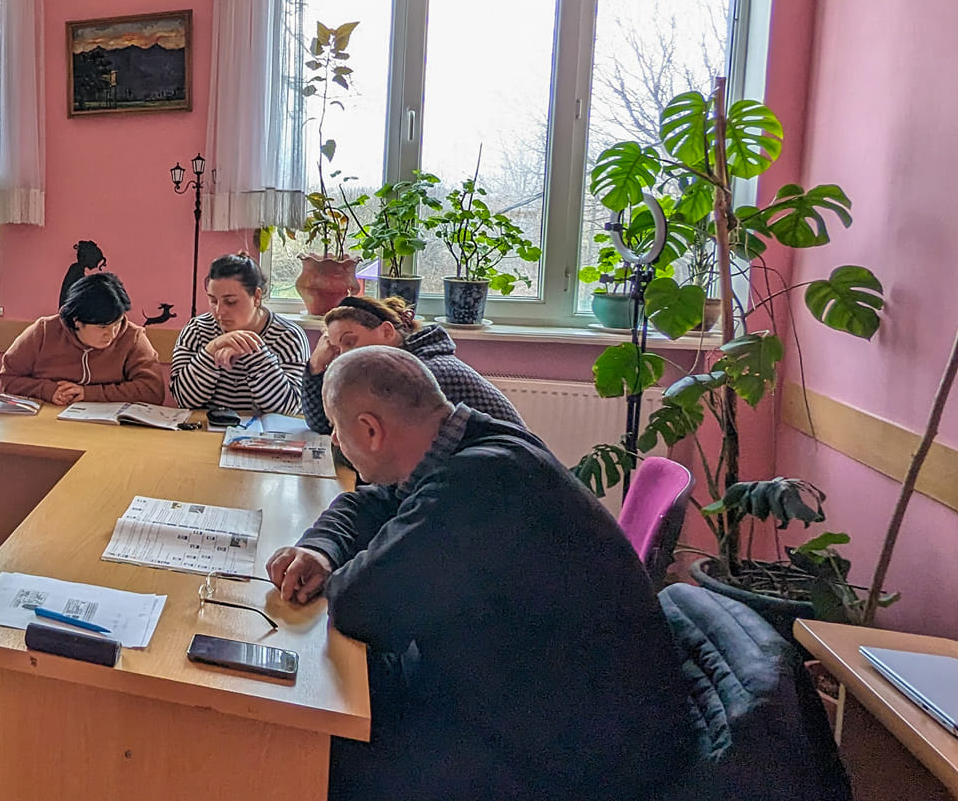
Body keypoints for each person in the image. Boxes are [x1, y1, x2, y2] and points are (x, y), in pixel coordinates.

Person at [265, 346, 692, 801]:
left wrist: (352, 568)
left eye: (337, 427)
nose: (334, 440)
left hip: (565, 754)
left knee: (313, 742)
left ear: (371, 430)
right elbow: (373, 502)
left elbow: (362, 607)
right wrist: (321, 550)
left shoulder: (479, 483)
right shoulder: (474, 443)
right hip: (549, 701)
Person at [298, 294, 522, 434]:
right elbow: (326, 425)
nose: (342, 356)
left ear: (387, 331)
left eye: (350, 342)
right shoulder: (393, 369)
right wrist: (316, 366)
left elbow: (379, 447)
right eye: (336, 350)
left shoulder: (424, 374)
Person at [168, 253, 308, 414]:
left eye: (231, 302)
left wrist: (254, 352)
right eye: (213, 300)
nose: (219, 311)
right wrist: (211, 349)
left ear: (256, 297)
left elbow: (289, 408)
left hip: (263, 429)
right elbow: (183, 399)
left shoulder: (289, 337)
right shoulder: (197, 330)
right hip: (206, 427)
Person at [0, 272, 166, 405]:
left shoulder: (133, 337)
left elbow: (153, 391)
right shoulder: (43, 332)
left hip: (110, 428)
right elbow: (9, 379)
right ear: (77, 320)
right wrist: (47, 390)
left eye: (117, 323)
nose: (112, 334)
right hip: (47, 422)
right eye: (102, 327)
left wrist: (90, 393)